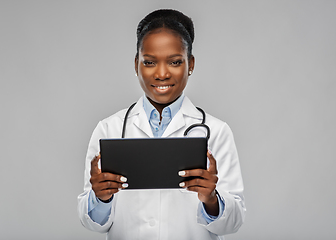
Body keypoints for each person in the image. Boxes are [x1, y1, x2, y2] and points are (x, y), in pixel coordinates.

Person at [77, 9, 246, 240]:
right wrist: (100, 197)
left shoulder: (216, 132)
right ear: (137, 64)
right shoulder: (109, 129)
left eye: (175, 62)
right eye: (149, 62)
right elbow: (93, 223)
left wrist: (211, 199)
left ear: (191, 64)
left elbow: (233, 223)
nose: (162, 73)